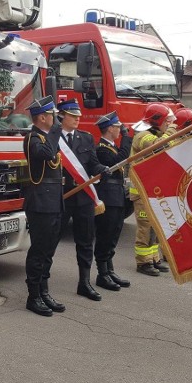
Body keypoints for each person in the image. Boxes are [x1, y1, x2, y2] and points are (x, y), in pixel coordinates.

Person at [56, 99, 108, 300]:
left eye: (79, 116)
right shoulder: (52, 138)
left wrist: (101, 169)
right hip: (61, 197)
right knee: (50, 241)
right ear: (62, 116)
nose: (78, 119)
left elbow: (92, 164)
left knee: (85, 241)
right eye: (73, 115)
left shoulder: (86, 138)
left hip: (83, 199)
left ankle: (84, 282)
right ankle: (42, 283)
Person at [22, 96, 64, 317]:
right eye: (53, 115)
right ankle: (33, 296)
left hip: (54, 201)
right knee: (39, 250)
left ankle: (44, 291)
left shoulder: (47, 138)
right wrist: (56, 131)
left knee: (49, 250)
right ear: (42, 117)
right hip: (40, 203)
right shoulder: (32, 138)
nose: (56, 119)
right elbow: (46, 154)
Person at [129, 104, 176, 277]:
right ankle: (143, 262)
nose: (169, 124)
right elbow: (157, 146)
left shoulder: (156, 134)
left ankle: (154, 258)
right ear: (158, 121)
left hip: (153, 191)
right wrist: (172, 130)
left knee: (155, 228)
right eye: (167, 121)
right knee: (145, 228)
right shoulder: (142, 136)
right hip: (141, 192)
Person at [93, 111, 133, 291]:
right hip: (107, 196)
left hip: (116, 194)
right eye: (118, 127)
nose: (120, 130)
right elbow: (119, 160)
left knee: (114, 233)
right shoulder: (102, 148)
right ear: (109, 128)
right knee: (105, 233)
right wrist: (127, 137)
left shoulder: (112, 147)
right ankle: (102, 273)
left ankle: (110, 270)